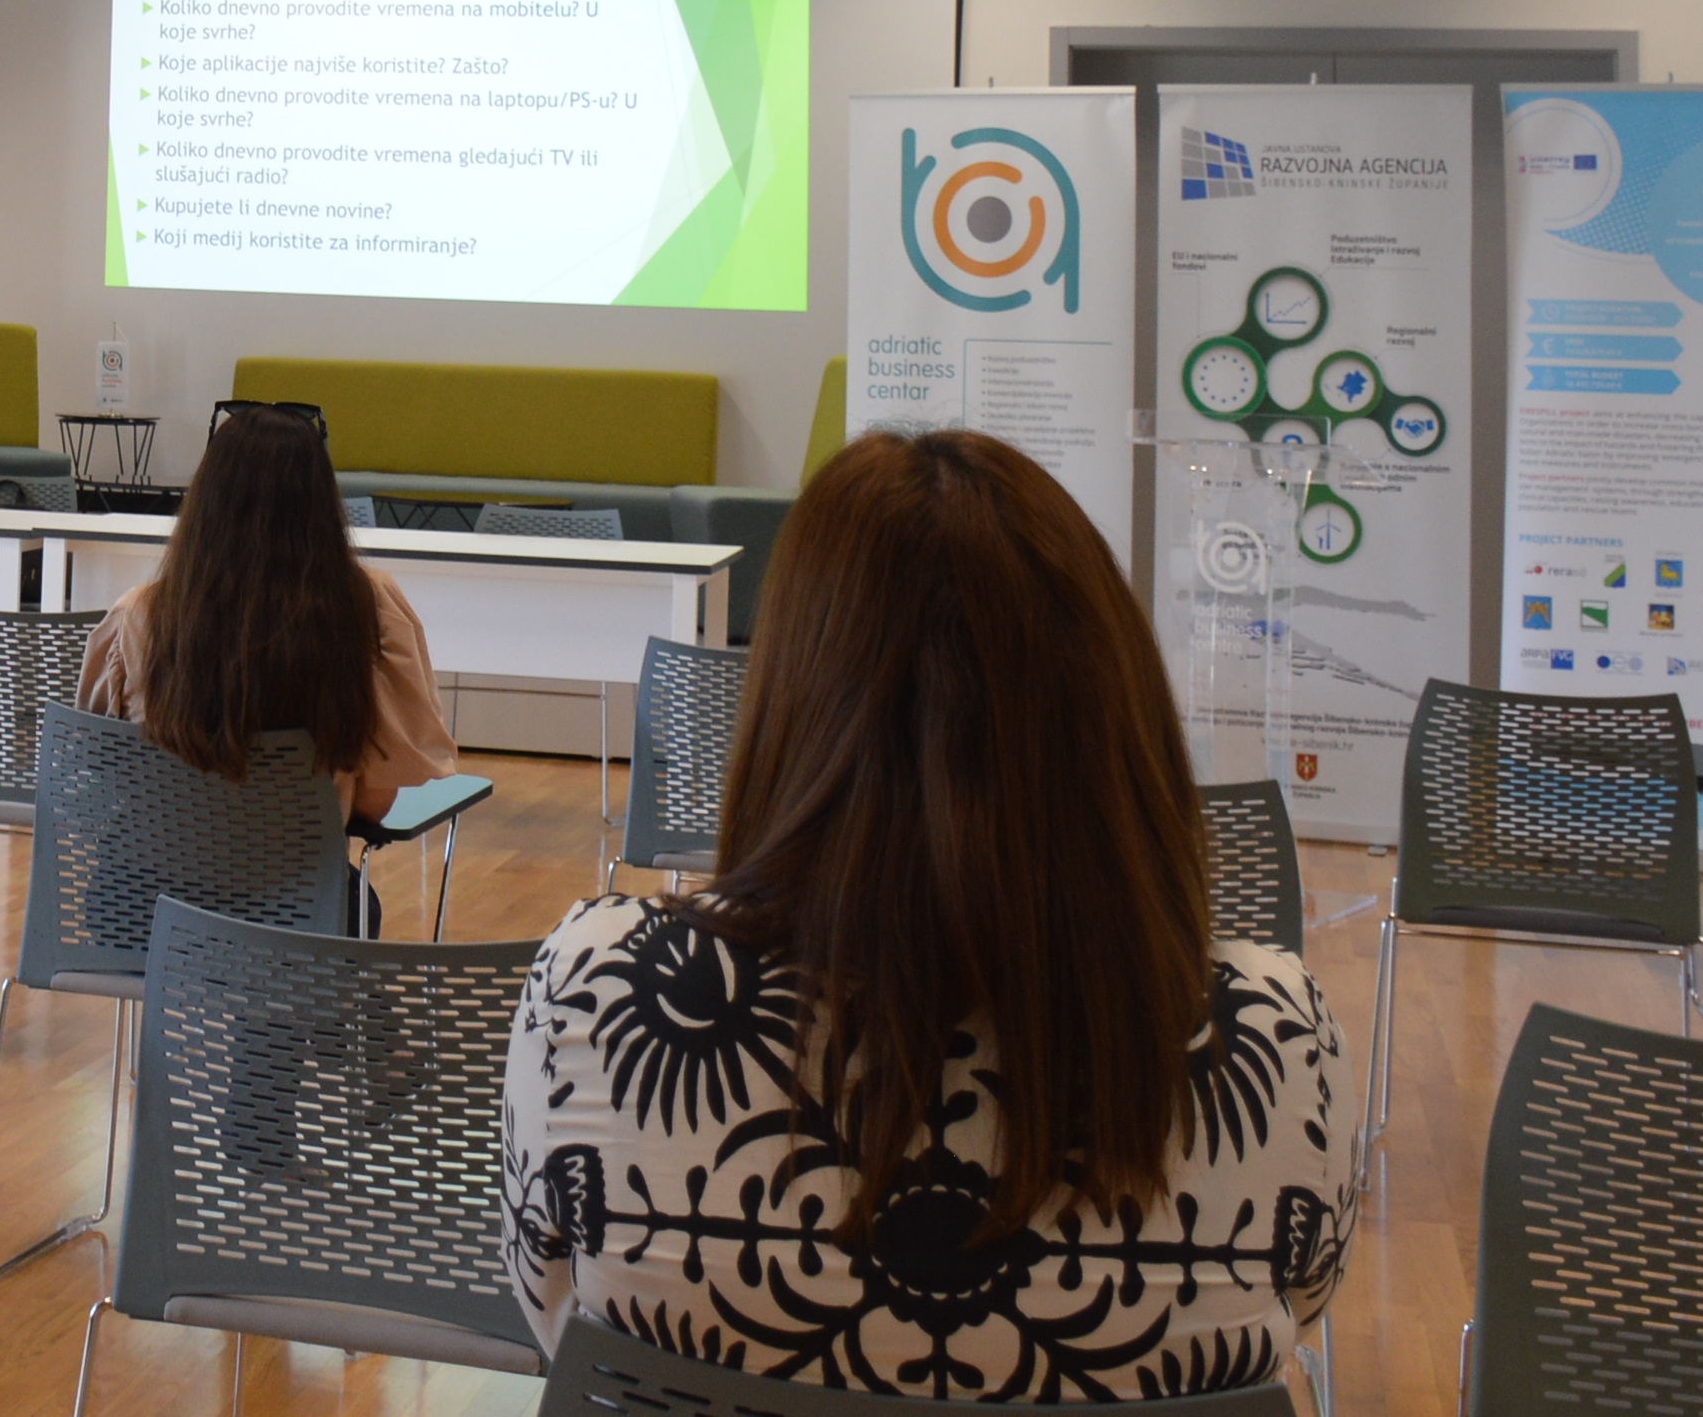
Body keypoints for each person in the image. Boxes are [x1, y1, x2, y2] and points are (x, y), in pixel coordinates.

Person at [499, 427, 1346, 1397]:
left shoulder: (598, 992)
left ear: (788, 693)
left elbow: (557, 1316)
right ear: (1112, 705)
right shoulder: (1273, 1036)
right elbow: (1295, 1313)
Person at [77, 398, 456, 842]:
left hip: (152, 879)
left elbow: (100, 764)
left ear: (205, 498)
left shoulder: (137, 614)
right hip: (300, 881)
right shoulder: (366, 605)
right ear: (322, 502)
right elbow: (375, 803)